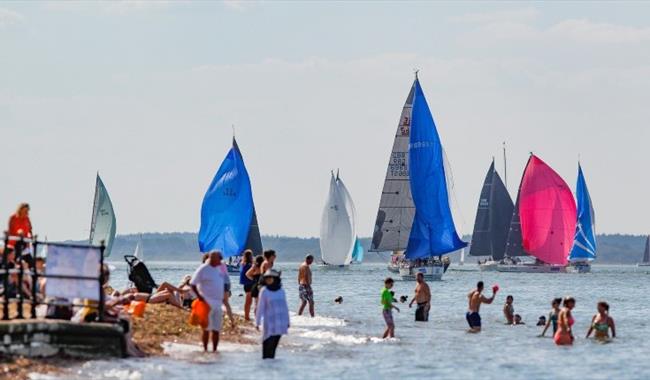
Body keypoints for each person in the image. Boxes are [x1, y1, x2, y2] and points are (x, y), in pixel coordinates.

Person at [190, 251, 226, 352]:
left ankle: (215, 350)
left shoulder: (220, 267)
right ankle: (205, 349)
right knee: (206, 328)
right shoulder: (203, 269)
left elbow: (223, 281)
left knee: (216, 329)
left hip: (218, 304)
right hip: (207, 303)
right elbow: (192, 284)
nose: (221, 261)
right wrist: (200, 297)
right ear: (213, 258)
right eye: (219, 258)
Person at [255, 269, 290, 359]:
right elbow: (260, 307)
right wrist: (257, 322)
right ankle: (266, 367)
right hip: (269, 323)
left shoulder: (281, 291)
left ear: (275, 278)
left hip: (280, 323)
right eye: (267, 278)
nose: (268, 280)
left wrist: (287, 321)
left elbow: (285, 307)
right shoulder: (264, 291)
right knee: (266, 346)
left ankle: (272, 368)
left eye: (270, 278)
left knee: (273, 348)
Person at [240, 250, 255, 321]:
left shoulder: (244, 264)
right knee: (249, 301)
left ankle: (247, 315)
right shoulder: (249, 265)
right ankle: (246, 316)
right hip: (249, 284)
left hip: (246, 285)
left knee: (248, 301)